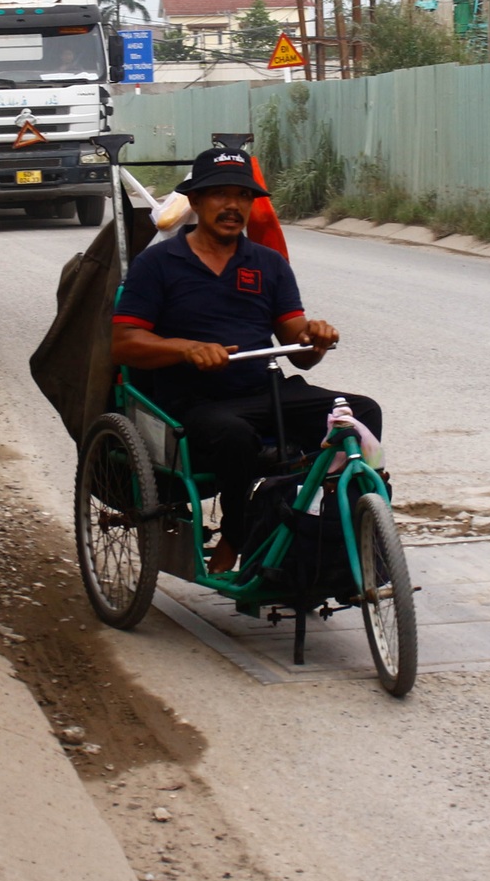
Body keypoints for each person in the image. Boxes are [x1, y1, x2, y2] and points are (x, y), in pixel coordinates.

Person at [110, 147, 383, 570]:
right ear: (195, 202)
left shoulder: (268, 263)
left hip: (266, 391)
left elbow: (299, 347)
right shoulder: (158, 263)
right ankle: (236, 536)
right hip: (193, 403)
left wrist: (315, 337)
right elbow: (124, 344)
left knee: (361, 412)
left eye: (242, 196)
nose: (233, 205)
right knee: (234, 437)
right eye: (220, 194)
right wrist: (186, 348)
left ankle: (335, 529)